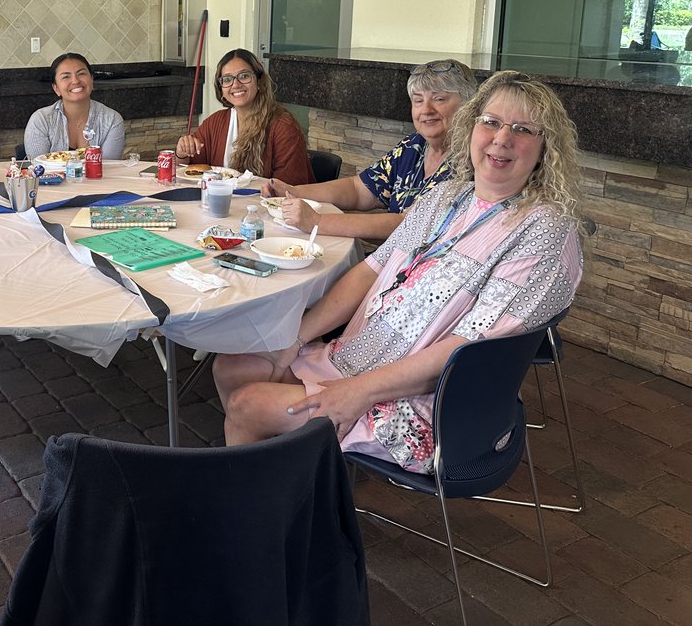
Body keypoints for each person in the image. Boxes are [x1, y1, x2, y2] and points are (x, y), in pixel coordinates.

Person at [214, 71, 584, 473]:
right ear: (472, 127)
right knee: (231, 366)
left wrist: (357, 391)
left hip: (424, 402)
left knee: (246, 406)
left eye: (523, 129)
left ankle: (268, 514)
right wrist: (296, 337)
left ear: (546, 148)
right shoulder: (446, 195)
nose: (502, 138)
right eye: (491, 122)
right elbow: (370, 270)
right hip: (356, 357)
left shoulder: (543, 228)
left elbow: (469, 350)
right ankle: (303, 485)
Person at [261, 59, 478, 240]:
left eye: (439, 99)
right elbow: (360, 189)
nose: (426, 110)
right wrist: (295, 191)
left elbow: (407, 225)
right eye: (418, 100)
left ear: (469, 104)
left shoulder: (473, 161)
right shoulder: (414, 146)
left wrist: (317, 222)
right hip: (391, 260)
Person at [175, 49, 313, 184]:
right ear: (221, 89)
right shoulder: (215, 122)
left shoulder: (283, 126)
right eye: (227, 79)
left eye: (244, 76)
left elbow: (288, 188)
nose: (235, 84)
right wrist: (182, 153)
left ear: (259, 82)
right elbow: (188, 172)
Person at [23, 53, 126, 159]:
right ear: (56, 88)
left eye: (81, 74)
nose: (76, 81)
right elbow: (39, 168)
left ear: (91, 80)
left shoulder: (112, 120)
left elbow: (110, 168)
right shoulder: (41, 120)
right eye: (66, 77)